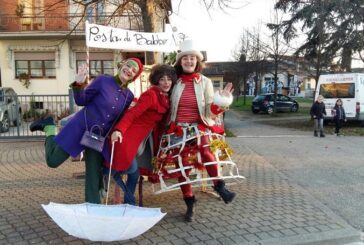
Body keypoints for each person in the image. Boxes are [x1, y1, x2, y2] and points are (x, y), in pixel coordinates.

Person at [29, 58, 143, 204]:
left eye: (134, 71)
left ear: (134, 76)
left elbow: (119, 120)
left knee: (93, 177)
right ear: (122, 65)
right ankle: (49, 127)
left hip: (98, 138)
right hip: (80, 128)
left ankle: (93, 210)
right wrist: (79, 83)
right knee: (52, 160)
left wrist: (118, 131)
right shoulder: (103, 80)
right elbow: (81, 100)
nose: (130, 70)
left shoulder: (129, 96)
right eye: (128, 66)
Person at [158, 39, 236, 222]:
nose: (189, 61)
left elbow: (210, 110)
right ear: (180, 61)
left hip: (198, 126)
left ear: (197, 62)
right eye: (185, 58)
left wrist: (220, 102)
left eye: (192, 58)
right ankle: (190, 202)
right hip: (177, 129)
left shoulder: (206, 82)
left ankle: (220, 186)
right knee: (180, 164)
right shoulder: (174, 82)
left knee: (205, 150)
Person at [105, 64, 177, 205]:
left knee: (135, 174)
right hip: (128, 136)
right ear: (156, 81)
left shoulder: (166, 98)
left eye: (169, 79)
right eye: (162, 79)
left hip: (141, 139)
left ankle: (128, 203)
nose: (166, 82)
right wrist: (119, 130)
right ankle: (129, 201)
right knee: (131, 171)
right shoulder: (151, 95)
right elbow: (132, 114)